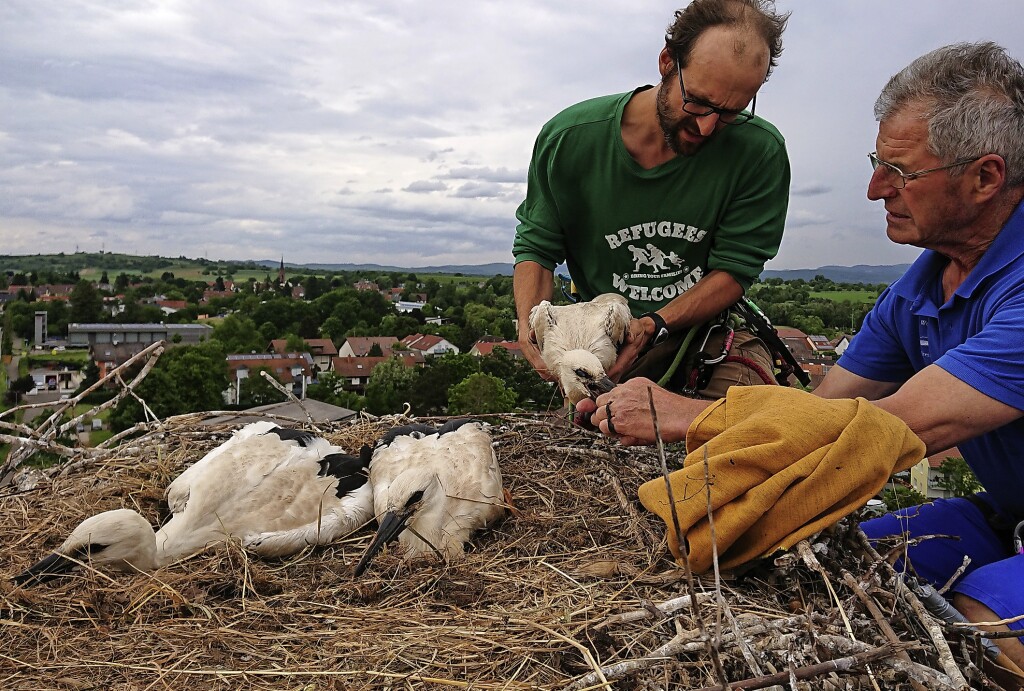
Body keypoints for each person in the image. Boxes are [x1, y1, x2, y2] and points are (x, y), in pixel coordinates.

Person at [580, 41, 1024, 667]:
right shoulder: (926, 286)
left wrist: (692, 416)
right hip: (1004, 516)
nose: (874, 190)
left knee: (991, 641)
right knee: (841, 570)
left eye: (900, 173)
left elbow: (892, 426)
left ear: (985, 177)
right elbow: (823, 410)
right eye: (878, 163)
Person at [512, 0, 791, 400]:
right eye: (697, 101)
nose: (709, 126)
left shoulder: (759, 152)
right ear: (667, 62)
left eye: (732, 111)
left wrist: (654, 325)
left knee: (739, 434)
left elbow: (734, 269)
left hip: (705, 338)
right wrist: (533, 326)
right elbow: (538, 247)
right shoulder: (570, 140)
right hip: (603, 344)